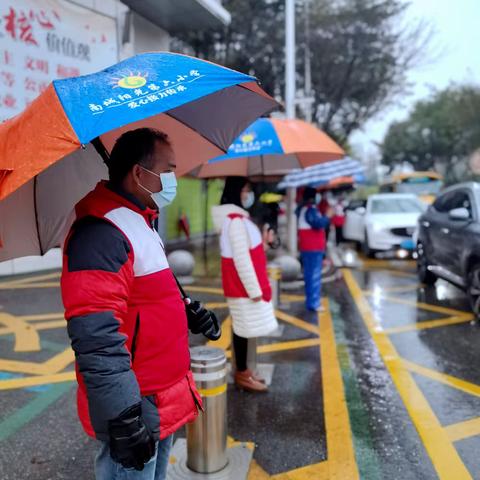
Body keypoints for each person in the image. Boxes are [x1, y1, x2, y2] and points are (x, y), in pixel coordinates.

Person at [61, 128, 219, 480]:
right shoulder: (99, 234)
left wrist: (189, 310)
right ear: (138, 173)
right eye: (168, 169)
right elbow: (96, 335)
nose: (173, 179)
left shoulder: (140, 220)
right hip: (136, 406)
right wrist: (123, 415)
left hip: (163, 397)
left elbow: (153, 291)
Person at [212, 177, 278, 393]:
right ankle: (242, 373)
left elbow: (248, 252)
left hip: (244, 286)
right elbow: (241, 260)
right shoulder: (236, 220)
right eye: (245, 189)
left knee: (245, 329)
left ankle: (245, 370)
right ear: (236, 191)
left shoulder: (237, 219)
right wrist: (255, 291)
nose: (248, 194)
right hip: (243, 288)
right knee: (242, 330)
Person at [297, 187, 330, 312]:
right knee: (313, 275)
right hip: (312, 248)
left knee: (311, 275)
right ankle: (313, 303)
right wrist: (328, 216)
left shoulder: (305, 209)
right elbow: (318, 223)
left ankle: (312, 300)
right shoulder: (309, 210)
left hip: (311, 247)